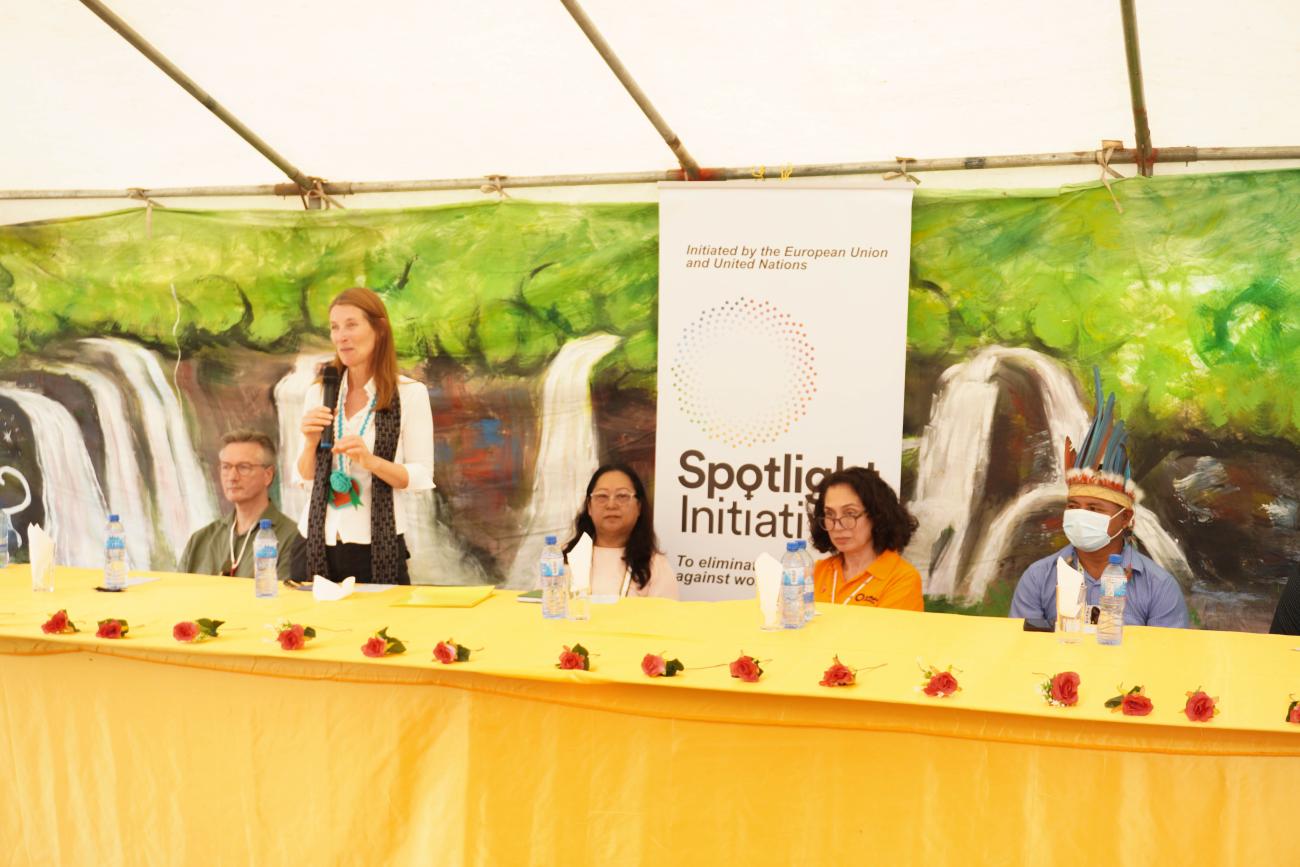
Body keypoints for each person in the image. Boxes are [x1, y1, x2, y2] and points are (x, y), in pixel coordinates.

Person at [1010, 368, 1189, 628]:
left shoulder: (1158, 586)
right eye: (1073, 506)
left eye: (1094, 508)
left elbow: (1166, 660)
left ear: (1126, 517)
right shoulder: (1039, 578)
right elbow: (1023, 650)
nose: (1080, 515)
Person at [291, 287, 434, 584]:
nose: (341, 336)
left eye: (351, 325)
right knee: (311, 629)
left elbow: (420, 476)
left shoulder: (409, 394)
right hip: (314, 543)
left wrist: (371, 461)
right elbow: (305, 477)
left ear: (379, 329)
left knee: (378, 631)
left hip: (375, 548)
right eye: (334, 327)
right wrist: (309, 443)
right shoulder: (320, 391)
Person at [180, 429, 302, 579]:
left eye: (243, 467)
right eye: (226, 467)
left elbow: (287, 600)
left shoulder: (293, 538)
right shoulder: (200, 541)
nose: (232, 477)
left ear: (268, 475)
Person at [808, 466, 924, 611]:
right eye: (829, 514)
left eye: (850, 513)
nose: (837, 526)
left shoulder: (902, 579)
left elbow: (887, 634)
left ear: (877, 516)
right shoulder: (816, 572)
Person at [562, 463, 678, 599]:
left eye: (622, 496)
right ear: (589, 507)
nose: (611, 505)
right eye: (602, 496)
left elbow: (666, 618)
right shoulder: (564, 558)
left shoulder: (656, 566)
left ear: (639, 506)